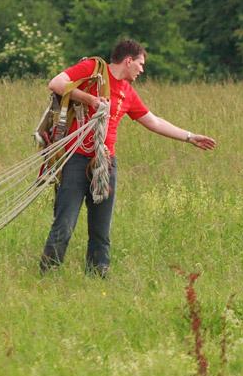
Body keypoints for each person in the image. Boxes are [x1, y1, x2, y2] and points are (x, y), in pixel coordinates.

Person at [40, 39, 216, 277]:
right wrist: (91, 100)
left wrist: (189, 136)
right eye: (141, 64)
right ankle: (48, 274)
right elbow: (57, 83)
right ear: (128, 60)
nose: (142, 70)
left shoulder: (128, 92)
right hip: (76, 158)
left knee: (101, 229)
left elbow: (153, 121)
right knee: (65, 222)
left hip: (105, 164)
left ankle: (98, 274)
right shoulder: (93, 68)